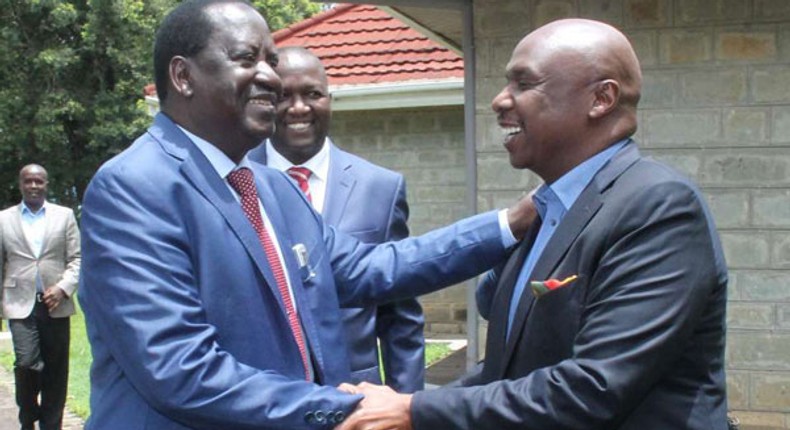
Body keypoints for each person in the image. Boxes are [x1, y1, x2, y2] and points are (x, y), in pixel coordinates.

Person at [77, 1, 534, 429]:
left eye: (270, 61)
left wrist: (510, 223)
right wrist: (349, 411)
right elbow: (178, 368)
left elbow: (375, 268)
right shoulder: (135, 188)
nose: (269, 78)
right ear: (183, 76)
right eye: (246, 58)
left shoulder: (270, 187)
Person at [336, 18, 729, 430]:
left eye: (524, 84)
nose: (499, 101)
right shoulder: (545, 212)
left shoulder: (656, 206)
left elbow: (593, 388)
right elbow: (508, 371)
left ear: (601, 99)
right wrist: (407, 405)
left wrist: (414, 411)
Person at [248, 46, 425, 393]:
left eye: (312, 94)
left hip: (356, 398)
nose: (299, 108)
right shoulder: (236, 182)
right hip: (265, 398)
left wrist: (406, 408)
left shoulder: (381, 188)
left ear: (330, 99)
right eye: (284, 95)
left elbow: (401, 318)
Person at [0, 164, 81, 430]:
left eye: (39, 181)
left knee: (57, 370)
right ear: (20, 184)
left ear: (46, 184)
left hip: (56, 303)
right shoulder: (4, 219)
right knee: (27, 364)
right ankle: (28, 418)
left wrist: (63, 287)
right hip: (19, 303)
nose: (34, 186)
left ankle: (51, 425)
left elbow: (77, 259)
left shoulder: (64, 216)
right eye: (28, 181)